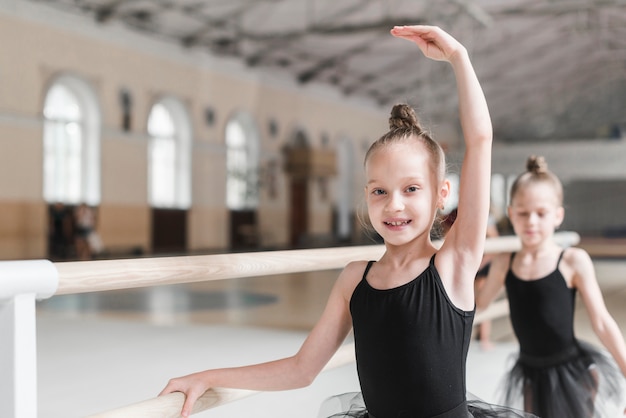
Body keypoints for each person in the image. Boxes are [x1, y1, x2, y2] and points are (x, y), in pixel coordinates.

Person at [160, 25, 531, 418]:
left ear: (441, 194)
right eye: (379, 191)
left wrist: (459, 58)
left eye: (410, 189)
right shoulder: (355, 280)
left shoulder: (453, 266)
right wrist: (208, 377)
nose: (394, 206)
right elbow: (301, 370)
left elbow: (480, 140)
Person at [476, 155, 626, 417]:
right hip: (530, 371)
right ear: (511, 214)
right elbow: (480, 305)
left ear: (558, 216)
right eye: (523, 213)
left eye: (541, 213)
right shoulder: (504, 263)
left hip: (572, 371)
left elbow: (601, 321)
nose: (531, 221)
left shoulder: (572, 260)